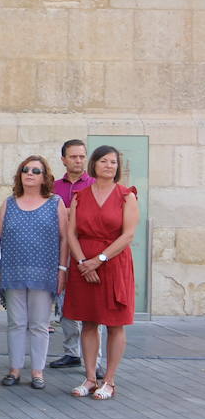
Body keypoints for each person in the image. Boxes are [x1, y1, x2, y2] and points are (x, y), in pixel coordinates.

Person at [64, 145, 138, 401]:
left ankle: (110, 380)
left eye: (114, 162)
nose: (109, 165)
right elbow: (71, 233)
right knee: (88, 321)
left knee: (115, 323)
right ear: (94, 164)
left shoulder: (126, 196)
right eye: (104, 161)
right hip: (84, 264)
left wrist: (99, 259)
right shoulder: (80, 196)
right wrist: (84, 262)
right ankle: (90, 377)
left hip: (113, 263)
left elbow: (128, 234)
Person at [0, 155, 67, 390]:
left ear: (45, 176)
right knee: (16, 322)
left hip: (44, 271)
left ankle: (37, 372)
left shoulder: (55, 203)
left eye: (36, 171)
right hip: (13, 269)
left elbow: (64, 239)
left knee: (39, 324)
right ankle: (14, 369)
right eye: (25, 169)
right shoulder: (9, 202)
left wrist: (62, 269)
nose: (30, 174)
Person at [49, 139, 94, 371]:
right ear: (64, 160)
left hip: (87, 251)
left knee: (90, 304)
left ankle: (93, 359)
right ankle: (71, 352)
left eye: (81, 156)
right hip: (59, 250)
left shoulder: (95, 185)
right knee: (64, 301)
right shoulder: (54, 187)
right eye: (73, 156)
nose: (78, 160)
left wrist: (66, 213)